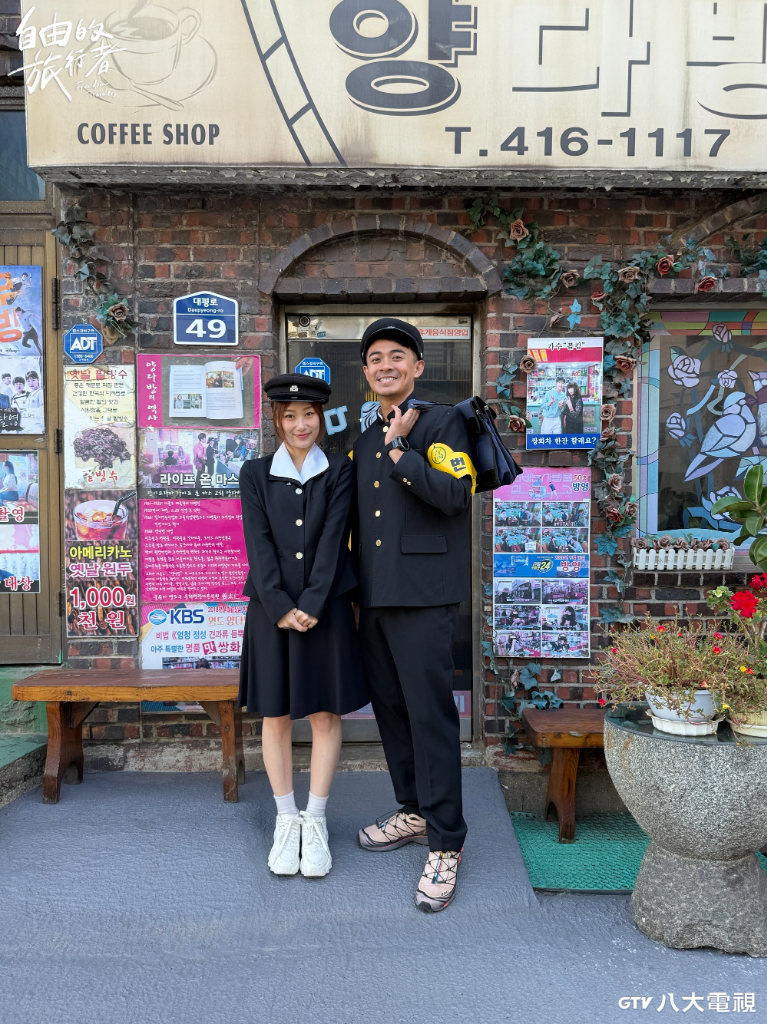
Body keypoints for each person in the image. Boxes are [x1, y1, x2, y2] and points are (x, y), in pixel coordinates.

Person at [352, 317, 475, 913]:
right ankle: (414, 811)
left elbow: (455, 495)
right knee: (393, 712)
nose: (386, 365)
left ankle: (447, 840)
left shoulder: (444, 422)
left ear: (418, 366)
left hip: (425, 596)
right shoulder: (361, 438)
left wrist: (401, 450)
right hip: (375, 597)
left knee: (430, 717)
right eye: (376, 357)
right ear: (366, 371)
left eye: (397, 355)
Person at [238, 373, 367, 880]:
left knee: (324, 714)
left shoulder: (339, 469)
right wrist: (279, 605)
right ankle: (285, 819)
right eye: (289, 416)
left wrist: (312, 602)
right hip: (271, 613)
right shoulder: (254, 473)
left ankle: (315, 819)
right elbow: (258, 541)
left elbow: (336, 537)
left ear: (321, 418)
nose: (300, 424)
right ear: (277, 420)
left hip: (326, 607)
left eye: (308, 415)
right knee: (275, 715)